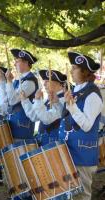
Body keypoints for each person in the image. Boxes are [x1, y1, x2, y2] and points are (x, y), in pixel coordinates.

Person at [58, 52, 103, 200]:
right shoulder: (76, 90)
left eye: (75, 68)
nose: (71, 71)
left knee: (81, 196)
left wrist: (72, 107)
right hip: (70, 150)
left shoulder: (93, 94)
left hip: (83, 154)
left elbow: (87, 125)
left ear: (84, 71)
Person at [21, 69, 67, 146]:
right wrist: (25, 101)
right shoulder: (48, 99)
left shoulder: (63, 100)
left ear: (58, 83)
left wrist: (38, 101)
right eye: (44, 81)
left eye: (47, 81)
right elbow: (34, 117)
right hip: (43, 140)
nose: (44, 84)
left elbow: (46, 119)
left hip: (53, 142)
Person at [4, 49, 38, 140]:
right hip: (13, 124)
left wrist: (9, 81)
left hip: (22, 127)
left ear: (26, 62)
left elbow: (12, 101)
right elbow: (7, 99)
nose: (14, 64)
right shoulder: (20, 79)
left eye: (17, 61)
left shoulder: (30, 81)